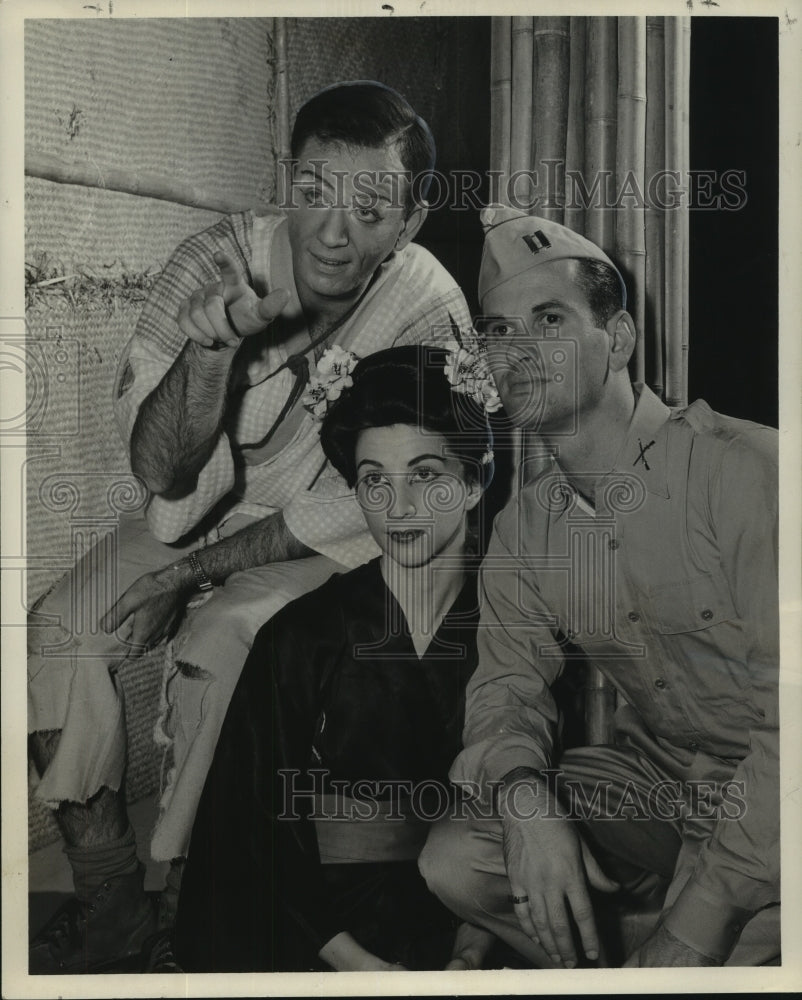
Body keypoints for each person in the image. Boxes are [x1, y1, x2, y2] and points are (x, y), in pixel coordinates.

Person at [28, 81, 472, 974]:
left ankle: (199, 898)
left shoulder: (430, 306)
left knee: (227, 638)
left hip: (318, 531)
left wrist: (193, 580)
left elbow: (386, 496)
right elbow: (159, 472)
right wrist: (209, 360)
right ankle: (114, 895)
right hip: (192, 507)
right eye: (313, 192)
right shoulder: (216, 264)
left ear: (411, 220)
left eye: (370, 206)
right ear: (288, 180)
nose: (334, 233)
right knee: (59, 631)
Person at [419, 206, 780, 968]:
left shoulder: (747, 473)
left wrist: (702, 915)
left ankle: (682, 938)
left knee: (715, 933)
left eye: (547, 319)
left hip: (781, 781)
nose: (515, 350)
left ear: (615, 340)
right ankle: (661, 946)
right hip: (664, 785)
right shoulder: (526, 533)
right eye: (497, 330)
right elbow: (503, 695)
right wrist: (522, 796)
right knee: (455, 857)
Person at [170, 344, 499, 972]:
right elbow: (250, 825)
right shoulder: (302, 635)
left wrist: (475, 946)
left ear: (475, 481)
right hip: (322, 924)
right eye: (375, 480)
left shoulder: (514, 623)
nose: (397, 507)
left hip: (477, 911)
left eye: (426, 475)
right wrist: (358, 965)